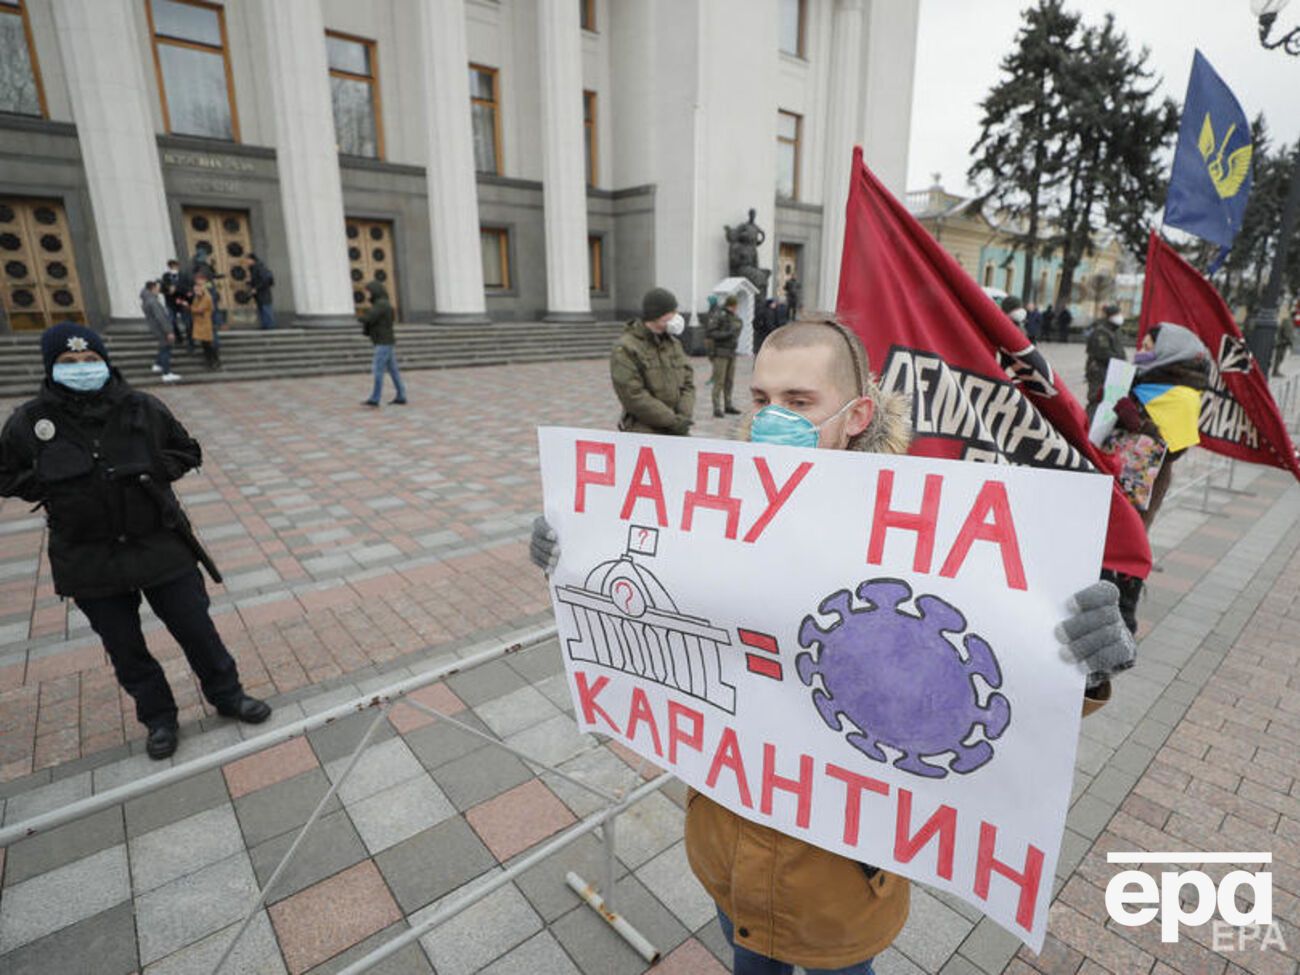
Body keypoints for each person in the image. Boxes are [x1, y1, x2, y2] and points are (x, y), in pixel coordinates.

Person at [531, 316, 1135, 975]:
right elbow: (644, 603)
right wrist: (575, 556)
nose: (771, 419)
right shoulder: (711, 510)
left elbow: (994, 673)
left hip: (840, 881)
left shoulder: (924, 538)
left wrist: (1081, 664)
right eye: (761, 398)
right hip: (727, 853)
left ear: (857, 415)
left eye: (798, 401)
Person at [0, 323, 271, 759]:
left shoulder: (142, 407)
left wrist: (151, 469)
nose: (82, 367)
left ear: (105, 361)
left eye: (90, 359)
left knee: (196, 629)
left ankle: (228, 694)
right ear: (51, 368)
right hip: (90, 557)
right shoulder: (30, 422)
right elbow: (6, 475)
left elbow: (187, 450)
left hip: (159, 542)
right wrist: (50, 485)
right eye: (69, 362)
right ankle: (159, 718)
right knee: (125, 648)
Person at [609, 287, 694, 435]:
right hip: (644, 429)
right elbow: (632, 395)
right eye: (672, 312)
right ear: (657, 315)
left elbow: (688, 382)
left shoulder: (674, 344)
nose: (676, 316)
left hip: (677, 426)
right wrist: (671, 421)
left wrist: (683, 416)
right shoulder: (626, 348)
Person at [360, 280, 406, 406]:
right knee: (393, 370)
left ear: (374, 291)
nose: (367, 294)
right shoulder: (384, 304)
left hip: (383, 342)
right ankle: (401, 395)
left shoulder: (381, 304)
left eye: (368, 291)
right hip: (386, 341)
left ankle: (375, 398)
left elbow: (368, 318)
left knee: (378, 370)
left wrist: (361, 317)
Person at [1085, 304, 1127, 415]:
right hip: (1099, 372)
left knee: (1108, 400)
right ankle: (1088, 422)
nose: (1120, 317)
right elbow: (1103, 354)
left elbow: (1119, 350)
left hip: (1112, 371)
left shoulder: (1115, 330)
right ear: (1111, 316)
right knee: (1096, 398)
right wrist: (1121, 360)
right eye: (1118, 314)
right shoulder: (1101, 332)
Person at [707, 294, 744, 418]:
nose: (736, 308)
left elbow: (738, 328)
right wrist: (726, 334)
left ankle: (728, 405)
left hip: (731, 352)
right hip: (720, 353)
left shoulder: (735, 317)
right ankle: (716, 407)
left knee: (729, 381)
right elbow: (711, 333)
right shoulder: (719, 315)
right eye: (734, 305)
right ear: (730, 305)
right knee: (719, 381)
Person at [140, 281, 181, 384]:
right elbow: (161, 317)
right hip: (161, 329)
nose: (159, 289)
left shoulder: (147, 300)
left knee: (163, 347)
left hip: (156, 328)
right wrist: (169, 331)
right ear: (152, 288)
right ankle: (166, 373)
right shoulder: (153, 301)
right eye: (157, 287)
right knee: (166, 348)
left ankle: (158, 364)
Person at [190, 271, 219, 369]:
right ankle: (210, 361)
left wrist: (191, 308)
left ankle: (214, 361)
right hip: (201, 323)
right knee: (205, 344)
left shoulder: (207, 295)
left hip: (206, 322)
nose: (196, 287)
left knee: (209, 343)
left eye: (198, 284)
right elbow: (194, 306)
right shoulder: (198, 296)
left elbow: (198, 309)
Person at [161, 259, 187, 347]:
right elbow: (162, 288)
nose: (173, 268)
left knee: (187, 321)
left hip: (182, 302)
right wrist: (168, 289)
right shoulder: (166, 276)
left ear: (178, 266)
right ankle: (179, 337)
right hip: (170, 303)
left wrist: (176, 289)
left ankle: (190, 338)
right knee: (172, 321)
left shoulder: (183, 276)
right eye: (171, 266)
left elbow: (186, 287)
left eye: (175, 266)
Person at [246, 253, 275, 330]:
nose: (246, 262)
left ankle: (269, 326)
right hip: (259, 293)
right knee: (261, 308)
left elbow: (264, 280)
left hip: (263, 292)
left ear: (252, 260)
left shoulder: (259, 267)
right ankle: (265, 325)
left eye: (247, 260)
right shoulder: (253, 268)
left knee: (266, 308)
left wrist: (256, 288)